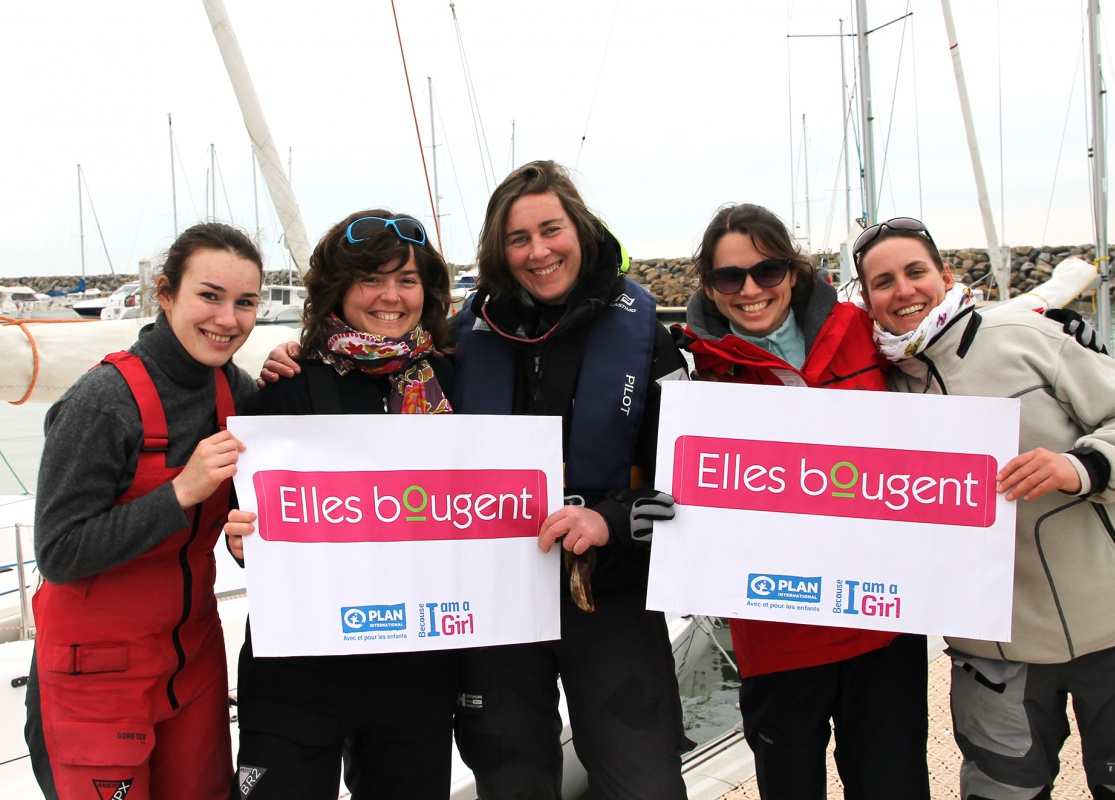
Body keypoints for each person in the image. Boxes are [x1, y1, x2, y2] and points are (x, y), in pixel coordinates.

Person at [854, 216, 1115, 799]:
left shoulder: (1026, 334)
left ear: (946, 275)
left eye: (916, 272)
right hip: (995, 658)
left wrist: (1083, 466)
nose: (903, 290)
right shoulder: (877, 386)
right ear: (867, 301)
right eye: (883, 282)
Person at [451, 160, 691, 800]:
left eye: (550, 229)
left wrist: (608, 520)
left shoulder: (648, 342)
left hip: (607, 593)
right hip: (499, 603)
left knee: (645, 784)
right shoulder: (460, 342)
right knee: (511, 783)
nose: (538, 251)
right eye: (517, 238)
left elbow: (682, 481)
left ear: (580, 230)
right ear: (499, 252)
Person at [674, 203, 931, 799]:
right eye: (728, 278)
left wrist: (1050, 329)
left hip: (882, 625)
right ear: (710, 288)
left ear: (792, 271)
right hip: (776, 633)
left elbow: (951, 363)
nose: (750, 290)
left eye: (766, 272)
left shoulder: (865, 333)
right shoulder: (691, 374)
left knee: (894, 786)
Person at [223, 210, 459, 800]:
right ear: (336, 287)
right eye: (369, 279)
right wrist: (242, 541)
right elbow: (253, 531)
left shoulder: (455, 380)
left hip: (415, 670)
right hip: (297, 668)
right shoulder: (286, 386)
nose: (390, 296)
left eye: (407, 279)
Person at [25, 222, 263, 800]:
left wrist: (243, 541)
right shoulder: (102, 402)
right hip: (95, 676)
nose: (227, 319)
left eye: (246, 302)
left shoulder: (242, 395)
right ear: (165, 294)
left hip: (194, 663)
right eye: (209, 296)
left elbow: (250, 519)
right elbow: (58, 553)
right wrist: (179, 492)